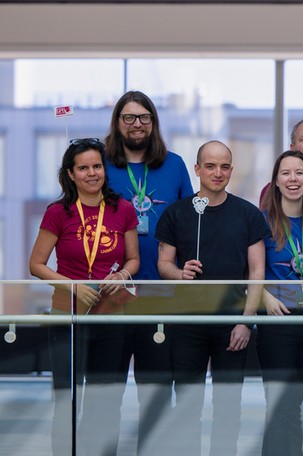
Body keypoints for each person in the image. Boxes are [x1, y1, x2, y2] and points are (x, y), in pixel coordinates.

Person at [156, 140, 268, 456]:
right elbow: (163, 264)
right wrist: (179, 273)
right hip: (187, 322)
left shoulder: (248, 214)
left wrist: (246, 322)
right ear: (197, 170)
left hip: (232, 323)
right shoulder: (176, 213)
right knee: (187, 403)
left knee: (229, 406)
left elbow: (257, 273)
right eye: (210, 166)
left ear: (231, 170)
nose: (217, 173)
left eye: (224, 166)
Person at [29, 138, 140, 456]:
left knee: (105, 401)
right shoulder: (57, 212)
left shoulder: (123, 209)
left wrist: (120, 275)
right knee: (67, 400)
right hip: (68, 315)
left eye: (97, 166)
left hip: (110, 316)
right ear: (71, 173)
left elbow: (133, 260)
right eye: (83, 168)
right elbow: (36, 265)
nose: (92, 173)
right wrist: (73, 285)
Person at [103, 90, 194, 456]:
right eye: (129, 117)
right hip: (110, 292)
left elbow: (191, 222)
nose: (137, 124)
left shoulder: (173, 165)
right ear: (117, 123)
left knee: (155, 392)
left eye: (144, 117)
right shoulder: (101, 166)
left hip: (160, 295)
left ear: (153, 123)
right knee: (104, 391)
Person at [256, 150, 303, 456]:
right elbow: (248, 273)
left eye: (300, 173)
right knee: (282, 407)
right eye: (286, 173)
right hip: (277, 324)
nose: (293, 179)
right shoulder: (261, 223)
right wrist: (265, 298)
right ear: (275, 182)